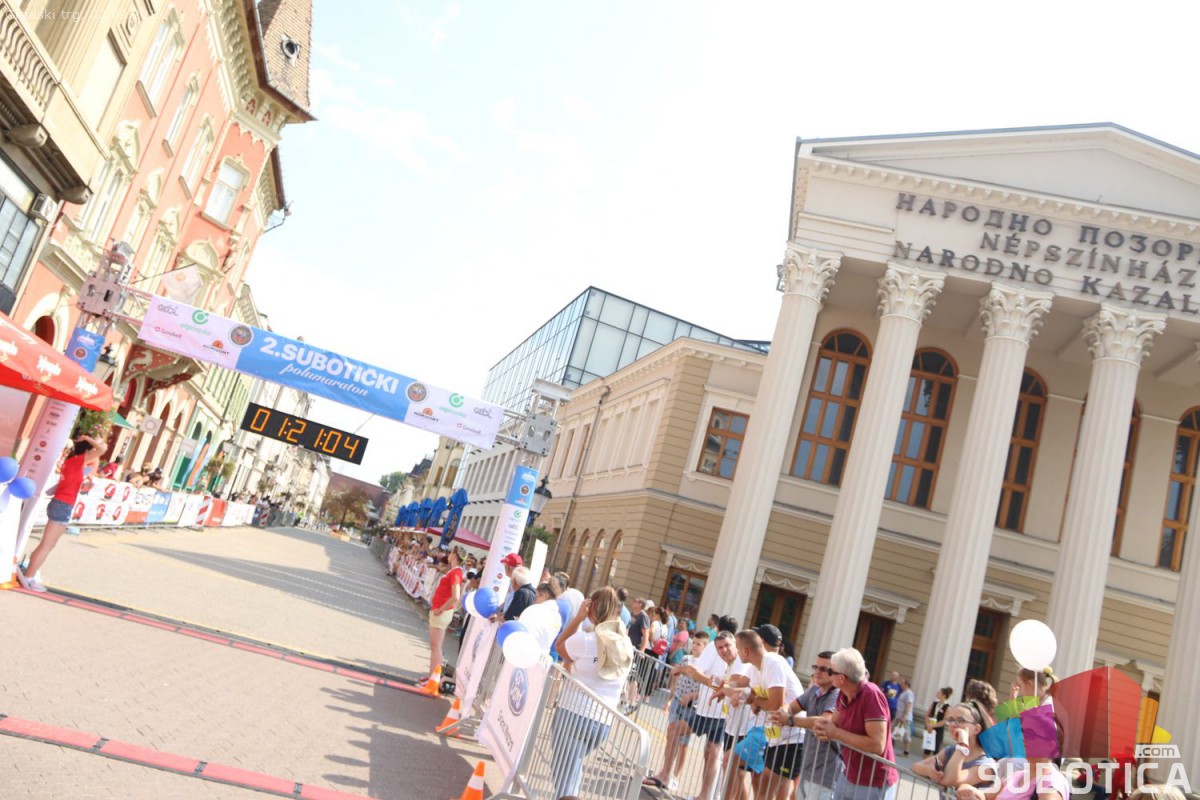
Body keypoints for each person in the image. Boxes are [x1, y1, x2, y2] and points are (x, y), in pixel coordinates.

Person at [553, 587, 633, 800]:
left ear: (593, 607)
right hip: (603, 721)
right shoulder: (626, 644)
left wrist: (579, 617)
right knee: (573, 770)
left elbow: (560, 646)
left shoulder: (587, 641)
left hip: (574, 713)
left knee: (564, 776)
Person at [18, 435, 105, 592]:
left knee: (47, 544)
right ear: (87, 450)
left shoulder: (73, 463)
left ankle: (30, 572)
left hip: (62, 503)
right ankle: (29, 576)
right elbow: (102, 449)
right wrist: (88, 438)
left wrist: (83, 487)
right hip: (62, 505)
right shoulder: (77, 461)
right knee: (47, 545)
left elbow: (65, 485)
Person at [811, 647, 899, 800]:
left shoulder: (871, 695)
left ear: (842, 678)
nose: (827, 674)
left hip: (872, 782)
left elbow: (877, 745)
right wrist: (823, 729)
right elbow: (833, 724)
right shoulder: (843, 694)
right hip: (849, 774)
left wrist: (835, 733)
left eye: (830, 671)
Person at [771, 649, 844, 800]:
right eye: (815, 667)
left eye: (823, 669)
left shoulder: (837, 694)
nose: (817, 672)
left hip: (825, 775)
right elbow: (793, 706)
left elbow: (823, 721)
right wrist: (783, 712)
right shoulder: (815, 690)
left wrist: (790, 720)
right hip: (808, 769)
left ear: (835, 672)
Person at [643, 630, 708, 792]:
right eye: (693, 643)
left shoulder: (706, 665)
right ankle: (665, 771)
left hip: (691, 706)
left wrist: (692, 696)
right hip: (677, 701)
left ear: (705, 647)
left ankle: (676, 776)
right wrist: (670, 699)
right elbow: (677, 681)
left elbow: (707, 688)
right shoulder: (686, 659)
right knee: (670, 736)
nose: (695, 646)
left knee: (683, 743)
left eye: (699, 644)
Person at [680, 629, 738, 800]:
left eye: (727, 646)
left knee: (727, 763)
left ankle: (709, 795)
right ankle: (707, 795)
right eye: (720, 647)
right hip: (724, 718)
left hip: (727, 719)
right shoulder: (729, 664)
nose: (724, 650)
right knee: (716, 756)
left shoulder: (740, 663)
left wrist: (721, 688)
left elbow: (737, 687)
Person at [913, 702, 996, 790]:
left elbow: (950, 781)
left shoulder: (986, 766)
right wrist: (928, 770)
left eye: (961, 720)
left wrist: (962, 745)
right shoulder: (951, 751)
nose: (953, 724)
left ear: (976, 729)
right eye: (950, 720)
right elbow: (916, 766)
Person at [424, 547, 464, 687]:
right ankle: (431, 676)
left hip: (441, 612)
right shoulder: (454, 571)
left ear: (455, 555)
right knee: (435, 646)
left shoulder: (456, 572)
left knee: (436, 646)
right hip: (439, 610)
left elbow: (456, 596)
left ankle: (433, 679)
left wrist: (441, 609)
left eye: (451, 553)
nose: (449, 555)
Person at [519, 581, 564, 654]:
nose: (534, 600)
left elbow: (522, 628)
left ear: (544, 596)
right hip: (543, 654)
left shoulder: (536, 610)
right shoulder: (558, 617)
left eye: (536, 596)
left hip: (527, 651)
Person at [925, 686, 953, 756]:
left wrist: (933, 726)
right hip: (930, 728)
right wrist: (928, 724)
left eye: (939, 692)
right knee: (926, 750)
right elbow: (927, 714)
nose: (937, 693)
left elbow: (944, 721)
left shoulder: (947, 707)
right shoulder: (934, 703)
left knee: (936, 751)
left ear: (943, 695)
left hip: (938, 730)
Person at [892, 677, 915, 756]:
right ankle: (890, 747)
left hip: (904, 717)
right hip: (898, 716)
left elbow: (909, 704)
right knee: (892, 729)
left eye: (902, 683)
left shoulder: (909, 693)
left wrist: (904, 716)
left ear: (906, 684)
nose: (901, 684)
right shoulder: (903, 692)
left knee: (906, 734)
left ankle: (906, 752)